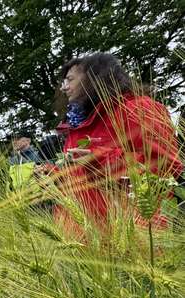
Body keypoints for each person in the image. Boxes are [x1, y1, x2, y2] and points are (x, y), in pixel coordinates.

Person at [49, 52, 182, 229]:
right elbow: (77, 173)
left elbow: (166, 168)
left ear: (95, 78)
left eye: (70, 80)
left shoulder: (139, 109)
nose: (64, 88)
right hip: (86, 240)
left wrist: (100, 161)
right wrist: (52, 175)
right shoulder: (77, 125)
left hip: (133, 236)